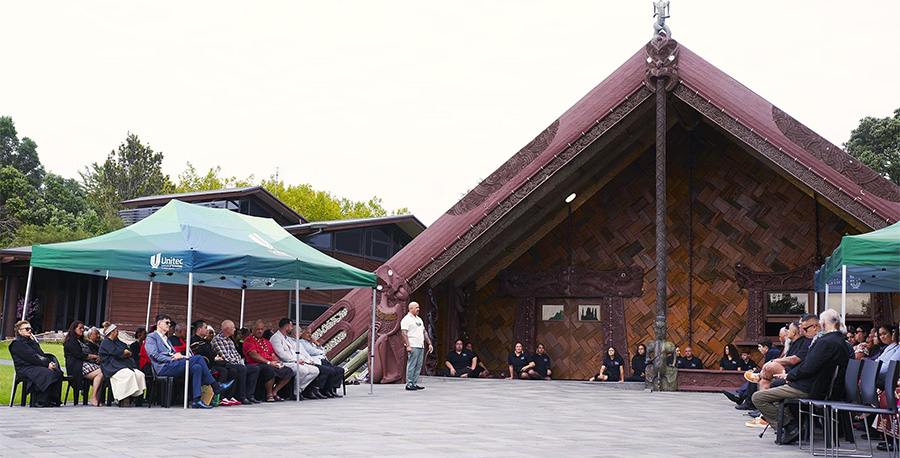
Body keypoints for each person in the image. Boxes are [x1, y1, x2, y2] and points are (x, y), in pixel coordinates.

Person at [751, 309, 853, 445]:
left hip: (810, 388)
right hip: (822, 386)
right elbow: (809, 366)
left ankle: (790, 427)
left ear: (822, 323)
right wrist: (789, 375)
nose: (803, 332)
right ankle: (791, 426)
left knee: (758, 397)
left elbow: (808, 368)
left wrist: (789, 376)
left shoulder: (825, 342)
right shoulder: (840, 341)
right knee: (776, 388)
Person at [145, 314, 232, 409]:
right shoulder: (152, 337)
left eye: (169, 323)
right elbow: (154, 355)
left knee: (197, 367)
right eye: (167, 323)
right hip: (164, 367)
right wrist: (172, 358)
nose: (169, 325)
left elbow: (173, 353)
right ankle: (215, 385)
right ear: (159, 323)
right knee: (198, 358)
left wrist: (181, 356)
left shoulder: (166, 339)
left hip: (173, 364)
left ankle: (196, 400)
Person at [9, 320, 64, 407]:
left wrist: (50, 363)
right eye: (27, 329)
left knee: (58, 372)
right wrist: (46, 365)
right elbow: (30, 357)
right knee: (47, 373)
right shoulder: (16, 344)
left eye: (30, 328)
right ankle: (40, 400)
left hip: (36, 366)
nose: (30, 330)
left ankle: (53, 399)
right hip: (25, 368)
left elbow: (41, 355)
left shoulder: (32, 342)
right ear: (19, 331)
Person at [190, 320, 241, 406]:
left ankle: (228, 396)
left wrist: (215, 357)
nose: (207, 330)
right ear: (199, 330)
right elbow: (199, 354)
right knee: (223, 371)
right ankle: (220, 396)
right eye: (205, 328)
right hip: (204, 365)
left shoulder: (205, 341)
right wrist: (213, 357)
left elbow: (211, 352)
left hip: (211, 364)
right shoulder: (194, 341)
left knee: (233, 370)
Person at [269, 318, 322, 400]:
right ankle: (295, 393)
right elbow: (281, 354)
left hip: (293, 360)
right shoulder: (276, 338)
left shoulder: (285, 338)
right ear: (286, 327)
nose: (291, 328)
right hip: (284, 362)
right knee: (303, 370)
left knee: (315, 370)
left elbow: (293, 352)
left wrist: (300, 360)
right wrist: (295, 360)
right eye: (290, 326)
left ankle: (299, 389)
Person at [211, 319, 261, 404]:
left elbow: (236, 354)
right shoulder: (217, 340)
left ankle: (250, 395)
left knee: (255, 369)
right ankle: (241, 396)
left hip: (235, 363)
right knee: (242, 369)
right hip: (225, 364)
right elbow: (225, 357)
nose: (235, 330)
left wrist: (240, 362)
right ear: (227, 329)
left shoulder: (230, 341)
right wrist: (239, 364)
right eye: (233, 328)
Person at [244, 320, 294, 402]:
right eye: (257, 329)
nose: (260, 331)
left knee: (288, 371)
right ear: (252, 330)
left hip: (270, 363)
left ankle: (275, 392)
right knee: (269, 370)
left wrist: (278, 362)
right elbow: (254, 355)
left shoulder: (266, 341)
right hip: (257, 364)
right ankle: (269, 394)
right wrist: (269, 363)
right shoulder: (249, 340)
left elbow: (273, 355)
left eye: (261, 329)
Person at [98, 322, 147, 406]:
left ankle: (136, 397)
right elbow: (118, 352)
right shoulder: (106, 342)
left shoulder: (117, 341)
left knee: (140, 375)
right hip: (111, 367)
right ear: (112, 332)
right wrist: (124, 353)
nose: (118, 332)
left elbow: (127, 350)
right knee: (129, 374)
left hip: (122, 365)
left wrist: (125, 353)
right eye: (116, 331)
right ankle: (122, 398)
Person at [63, 320, 104, 406]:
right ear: (74, 329)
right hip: (76, 366)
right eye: (80, 328)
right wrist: (95, 356)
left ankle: (97, 397)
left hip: (83, 364)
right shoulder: (71, 341)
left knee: (103, 371)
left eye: (83, 328)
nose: (82, 330)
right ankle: (93, 397)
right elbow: (80, 355)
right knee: (100, 373)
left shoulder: (79, 341)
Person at [300, 326, 345, 397]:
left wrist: (316, 343)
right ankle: (322, 389)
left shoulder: (311, 343)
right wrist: (320, 351)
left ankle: (332, 388)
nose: (310, 335)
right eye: (307, 333)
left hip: (324, 360)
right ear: (302, 334)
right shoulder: (301, 342)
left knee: (340, 370)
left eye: (310, 333)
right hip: (317, 361)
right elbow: (312, 351)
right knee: (330, 370)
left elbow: (322, 350)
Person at [401, 301, 432, 391]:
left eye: (418, 307)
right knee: (412, 364)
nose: (418, 309)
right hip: (413, 344)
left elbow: (424, 332)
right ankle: (409, 383)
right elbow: (404, 333)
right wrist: (408, 345)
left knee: (419, 365)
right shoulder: (406, 319)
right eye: (416, 307)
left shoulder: (419, 319)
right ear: (411, 309)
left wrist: (429, 343)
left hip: (420, 344)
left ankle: (414, 382)